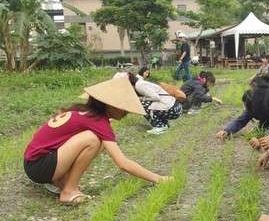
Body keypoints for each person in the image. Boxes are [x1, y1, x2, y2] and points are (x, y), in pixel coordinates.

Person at [23, 76, 172, 205]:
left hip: (36, 163)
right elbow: (123, 163)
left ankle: (63, 183)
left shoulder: (82, 112)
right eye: (124, 106)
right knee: (93, 140)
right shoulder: (97, 122)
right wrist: (159, 179)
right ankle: (68, 191)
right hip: (39, 166)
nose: (127, 111)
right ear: (109, 104)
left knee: (98, 142)